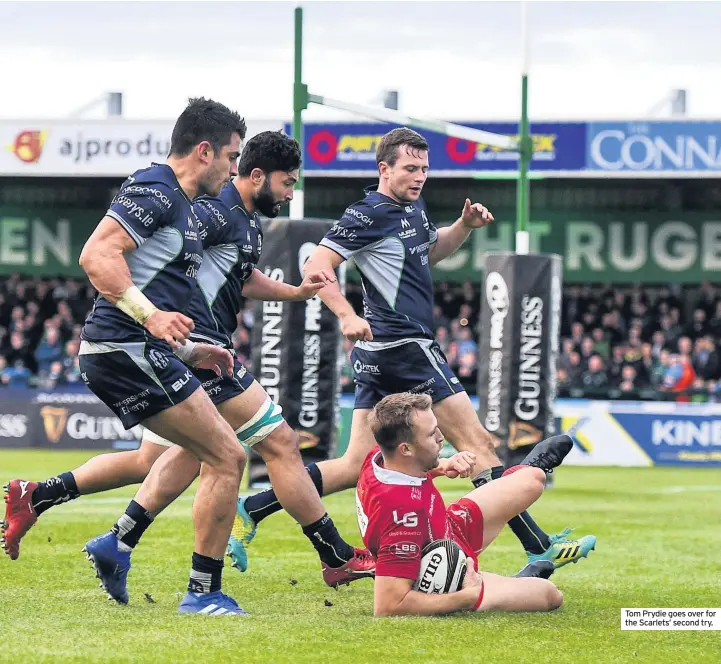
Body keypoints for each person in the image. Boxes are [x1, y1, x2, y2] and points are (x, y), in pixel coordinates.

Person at [2, 131, 373, 608]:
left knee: (157, 460)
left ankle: (84, 521)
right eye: (286, 182)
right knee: (264, 445)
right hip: (187, 345)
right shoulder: (210, 208)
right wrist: (159, 320)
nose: (289, 192)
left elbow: (240, 278)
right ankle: (319, 558)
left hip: (185, 349)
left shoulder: (245, 222)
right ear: (251, 173)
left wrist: (296, 293)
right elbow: (145, 259)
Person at [228, 127, 596, 573]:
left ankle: (254, 506)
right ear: (384, 169)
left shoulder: (411, 208)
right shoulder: (370, 212)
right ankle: (538, 547)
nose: (419, 176)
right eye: (410, 168)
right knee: (479, 444)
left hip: (384, 351)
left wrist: (462, 227)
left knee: (353, 464)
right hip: (405, 346)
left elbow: (428, 252)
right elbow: (316, 263)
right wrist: (345, 314)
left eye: (424, 169)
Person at [2, 98, 249, 616]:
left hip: (134, 349)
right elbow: (94, 255)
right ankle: (202, 594)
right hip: (125, 348)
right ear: (204, 151)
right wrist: (153, 317)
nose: (233, 168)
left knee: (170, 459)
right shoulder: (157, 190)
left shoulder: (179, 202)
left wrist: (189, 347)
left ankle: (77, 520)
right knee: (228, 457)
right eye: (231, 156)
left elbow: (148, 279)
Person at [360, 392, 567, 617]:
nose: (441, 437)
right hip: (449, 570)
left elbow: (405, 471)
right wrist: (466, 597)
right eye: (431, 435)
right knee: (550, 594)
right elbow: (388, 606)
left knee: (533, 480)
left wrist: (443, 465)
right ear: (406, 449)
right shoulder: (403, 517)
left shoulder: (379, 458)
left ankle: (511, 585)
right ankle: (514, 584)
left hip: (450, 527)